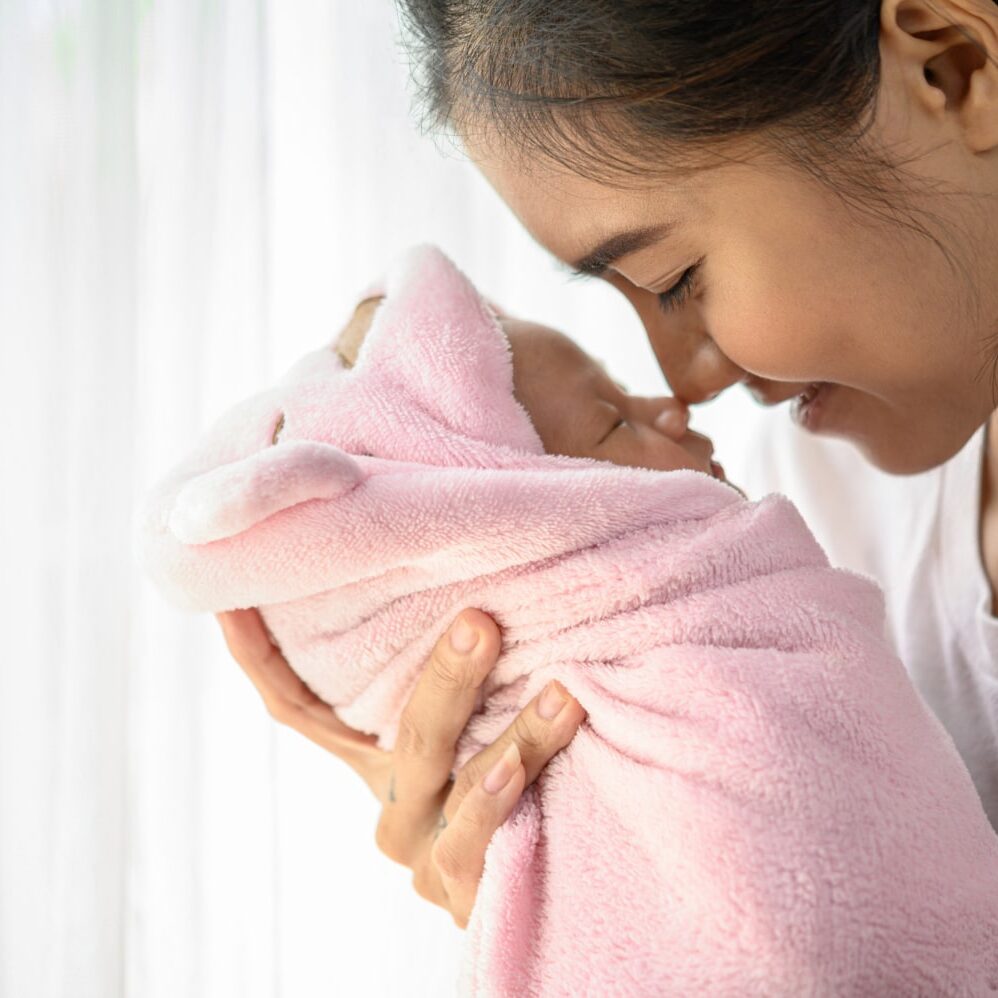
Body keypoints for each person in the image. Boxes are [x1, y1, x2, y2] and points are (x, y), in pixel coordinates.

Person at [217, 0, 998, 929]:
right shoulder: (811, 517)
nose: (684, 382)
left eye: (676, 280)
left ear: (953, 68)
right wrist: (616, 887)